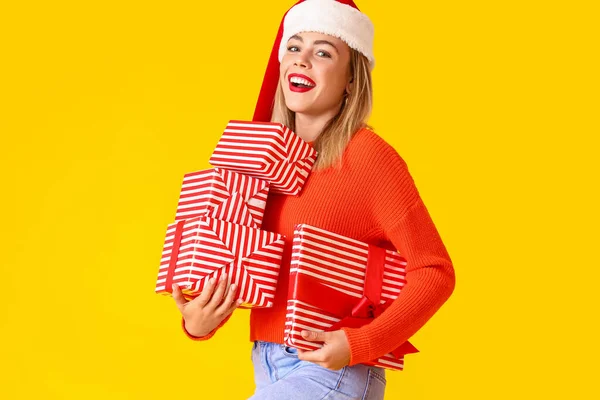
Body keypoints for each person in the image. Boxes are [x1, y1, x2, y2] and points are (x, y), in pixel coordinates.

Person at [171, 1, 456, 399]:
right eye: (293, 47)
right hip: (268, 364)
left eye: (323, 52)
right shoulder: (263, 160)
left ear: (351, 80)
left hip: (334, 372)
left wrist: (362, 342)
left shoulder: (368, 157)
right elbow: (247, 270)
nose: (301, 60)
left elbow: (434, 270)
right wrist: (199, 322)